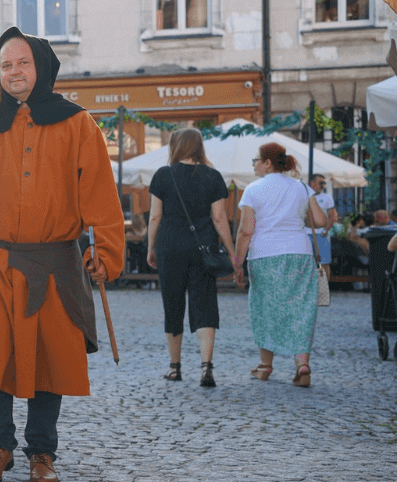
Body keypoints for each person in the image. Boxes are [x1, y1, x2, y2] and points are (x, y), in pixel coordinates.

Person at [0, 27, 124, 482]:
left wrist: (106, 251)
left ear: (41, 67)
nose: (14, 71)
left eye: (23, 63)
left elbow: (100, 194)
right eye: (6, 65)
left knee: (48, 357)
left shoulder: (78, 124)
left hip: (53, 261)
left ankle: (42, 451)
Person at [145, 127, 238, 387]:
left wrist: (151, 247)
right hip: (203, 248)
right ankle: (206, 366)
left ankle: (175, 368)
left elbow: (155, 216)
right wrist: (231, 252)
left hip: (170, 246)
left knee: (172, 304)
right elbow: (219, 218)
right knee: (205, 304)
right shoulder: (213, 176)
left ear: (175, 146)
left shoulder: (163, 175)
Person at [231, 141, 328, 388]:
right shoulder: (301, 187)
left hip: (265, 254)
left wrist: (237, 263)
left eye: (256, 160)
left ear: (267, 163)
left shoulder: (253, 189)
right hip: (299, 253)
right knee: (301, 308)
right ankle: (302, 365)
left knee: (264, 308)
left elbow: (245, 230)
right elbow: (319, 220)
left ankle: (265, 366)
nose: (254, 165)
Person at [307, 174, 338, 267]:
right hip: (306, 234)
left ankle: (325, 278)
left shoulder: (327, 198)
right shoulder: (304, 196)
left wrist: (325, 231)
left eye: (324, 183)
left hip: (321, 234)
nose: (323, 185)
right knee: (307, 263)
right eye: (321, 183)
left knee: (324, 263)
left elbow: (333, 216)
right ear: (312, 183)